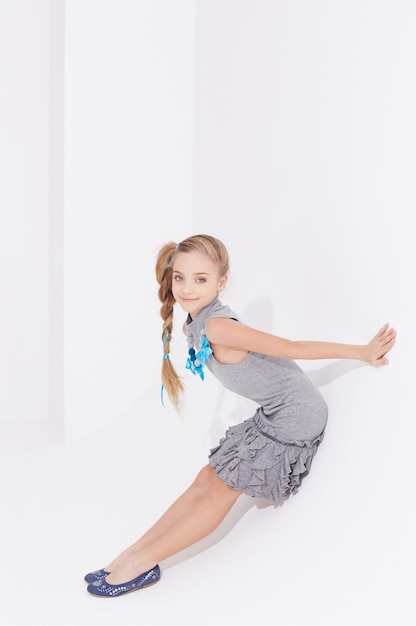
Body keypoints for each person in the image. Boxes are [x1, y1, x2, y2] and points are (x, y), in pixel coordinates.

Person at [85, 234, 396, 597]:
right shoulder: (193, 323)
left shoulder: (219, 327)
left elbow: (292, 347)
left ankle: (144, 563)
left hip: (295, 419)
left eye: (200, 279)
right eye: (180, 277)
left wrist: (362, 352)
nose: (187, 288)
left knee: (219, 491)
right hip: (272, 414)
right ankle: (134, 552)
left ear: (221, 282)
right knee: (206, 478)